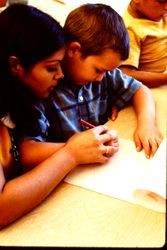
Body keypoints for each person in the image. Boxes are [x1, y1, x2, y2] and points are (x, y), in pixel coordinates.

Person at [0, 4, 118, 229]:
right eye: (51, 68)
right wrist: (71, 154)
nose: (61, 75)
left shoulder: (22, 96)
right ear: (16, 65)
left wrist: (86, 146)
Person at [19, 3, 163, 171]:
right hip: (66, 176)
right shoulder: (45, 87)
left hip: (98, 167)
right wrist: (75, 149)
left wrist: (147, 124)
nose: (102, 78)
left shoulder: (103, 74)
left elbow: (140, 89)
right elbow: (27, 152)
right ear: (74, 50)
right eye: (98, 70)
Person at [119, 0, 167, 88]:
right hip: (155, 87)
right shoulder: (130, 30)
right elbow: (125, 75)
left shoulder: (158, 14)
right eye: (161, 1)